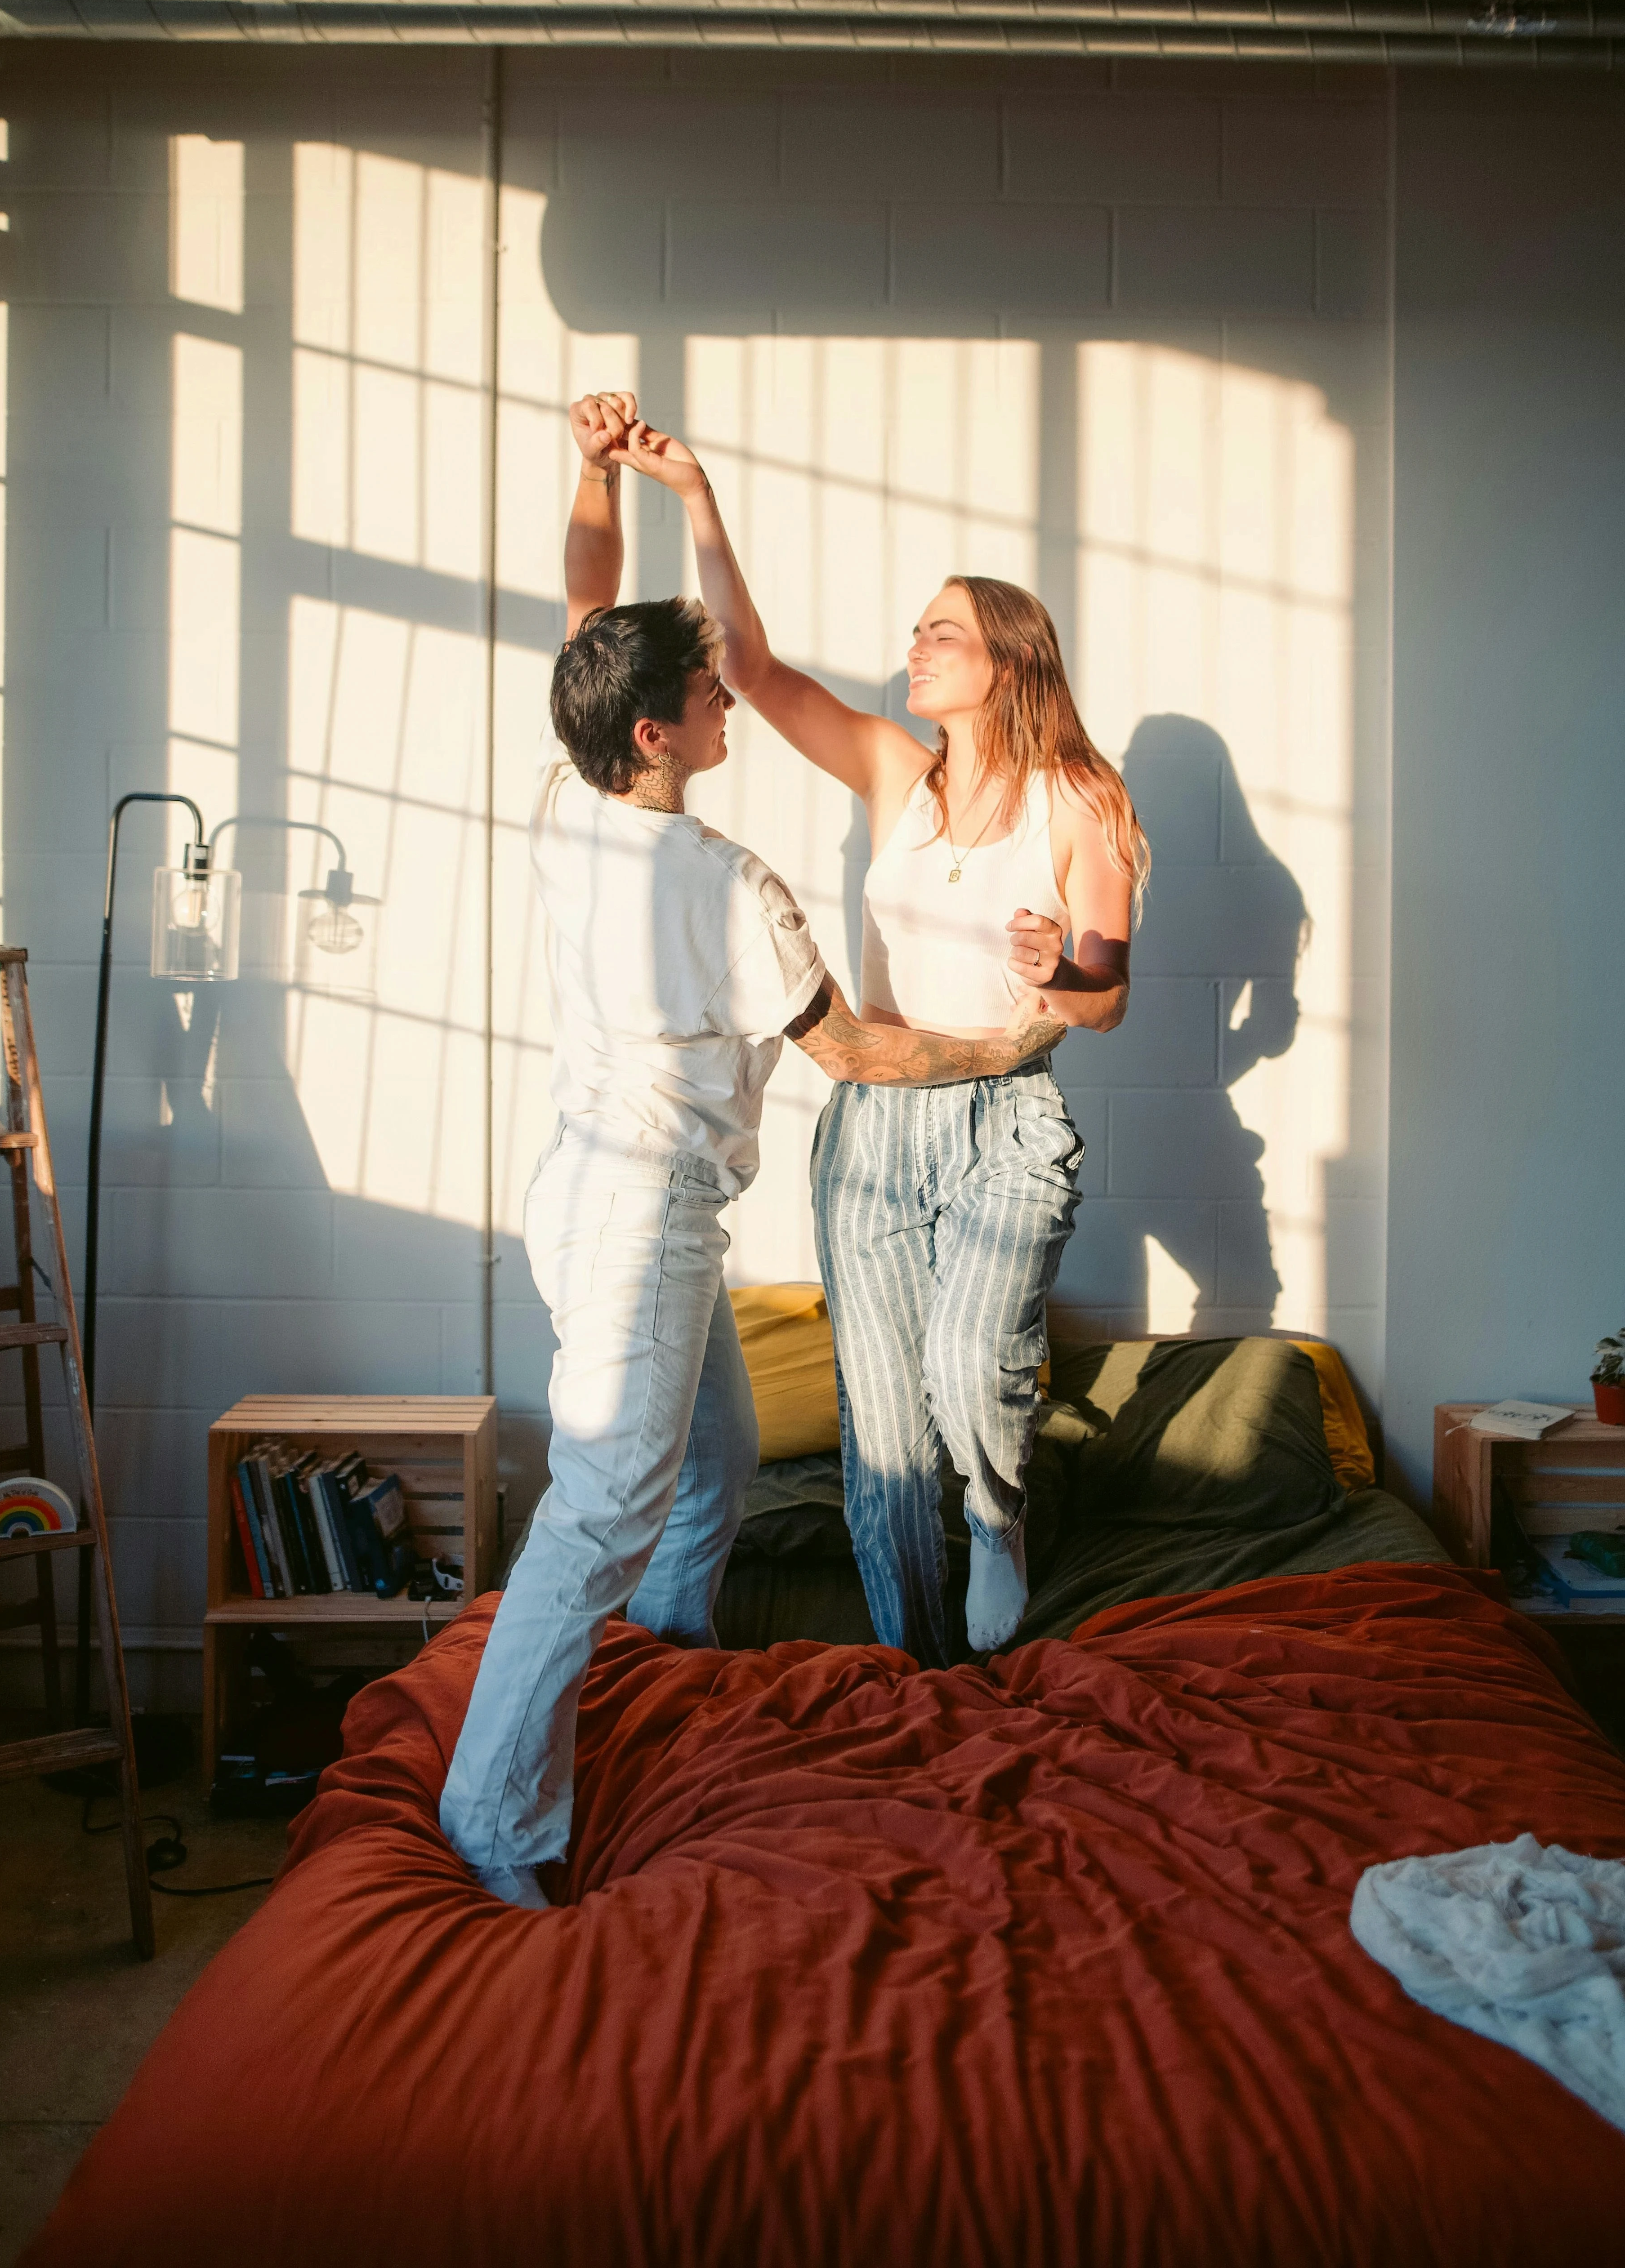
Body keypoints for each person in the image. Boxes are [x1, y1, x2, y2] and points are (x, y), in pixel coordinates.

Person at [439, 394, 1064, 1909]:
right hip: (641, 1216)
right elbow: (853, 1048)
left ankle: (665, 1686)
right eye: (711, 697)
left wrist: (596, 476)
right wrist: (1006, 1045)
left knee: (711, 1467)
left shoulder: (570, 803)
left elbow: (592, 616)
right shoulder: (732, 886)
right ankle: (497, 1822)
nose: (733, 709)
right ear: (659, 735)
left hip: (588, 1194)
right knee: (600, 1512)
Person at [611, 415, 1147, 1668]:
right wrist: (693, 490)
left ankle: (1001, 1513)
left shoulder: (1084, 802)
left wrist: (1053, 971)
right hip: (877, 1120)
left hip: (1007, 1108)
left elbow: (1110, 999)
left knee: (971, 1363)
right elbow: (747, 664)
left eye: (941, 632)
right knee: (884, 1426)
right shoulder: (896, 774)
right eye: (916, 629)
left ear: (1009, 662)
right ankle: (920, 1673)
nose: (916, 646)